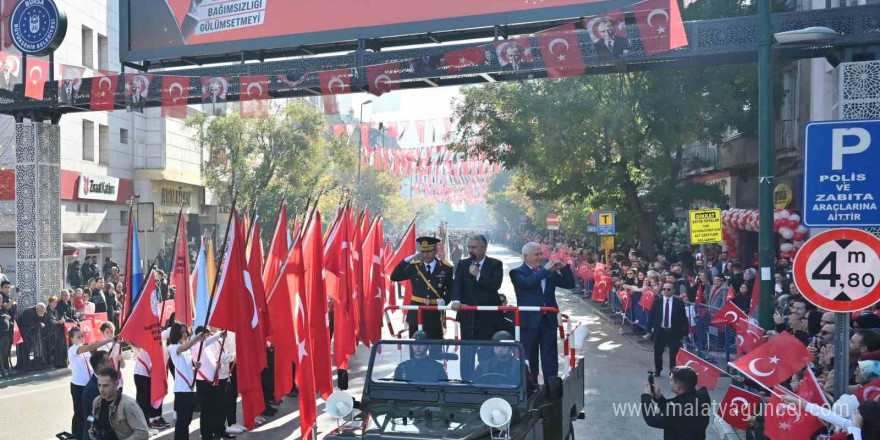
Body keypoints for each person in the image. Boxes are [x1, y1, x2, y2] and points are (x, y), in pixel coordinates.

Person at [510, 241, 575, 383]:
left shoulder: (549, 273)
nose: (540, 257)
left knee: (550, 357)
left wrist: (564, 268)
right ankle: (531, 388)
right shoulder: (517, 273)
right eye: (536, 254)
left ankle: (551, 389)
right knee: (530, 358)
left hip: (548, 321)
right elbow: (528, 283)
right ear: (526, 256)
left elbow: (570, 284)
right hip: (529, 322)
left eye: (541, 253)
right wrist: (544, 271)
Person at [450, 234, 505, 381]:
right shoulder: (462, 264)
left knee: (487, 352)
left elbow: (495, 285)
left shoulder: (495, 264)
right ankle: (466, 382)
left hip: (488, 316)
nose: (470, 250)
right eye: (469, 247)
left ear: (484, 248)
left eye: (473, 247)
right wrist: (456, 300)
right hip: (468, 316)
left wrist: (478, 275)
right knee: (467, 352)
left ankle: (485, 379)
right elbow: (457, 285)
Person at [389, 237, 453, 341]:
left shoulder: (446, 268)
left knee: (435, 348)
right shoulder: (414, 267)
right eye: (423, 252)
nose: (425, 255)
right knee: (416, 349)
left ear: (436, 251)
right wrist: (406, 260)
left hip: (435, 313)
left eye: (429, 251)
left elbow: (451, 289)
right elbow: (394, 276)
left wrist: (445, 301)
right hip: (416, 312)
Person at [641, 366, 711, 440]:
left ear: (677, 386)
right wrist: (658, 397)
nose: (669, 382)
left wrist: (646, 397)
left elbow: (652, 420)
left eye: (671, 380)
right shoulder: (702, 397)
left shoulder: (679, 410)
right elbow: (672, 410)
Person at [70, 327, 114, 440]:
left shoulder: (86, 351)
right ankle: (77, 435)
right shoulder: (73, 349)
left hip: (90, 383)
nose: (81, 338)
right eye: (78, 337)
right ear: (71, 339)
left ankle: (89, 433)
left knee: (91, 413)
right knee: (80, 413)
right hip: (79, 386)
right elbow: (91, 346)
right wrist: (108, 340)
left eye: (82, 336)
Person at [168, 322, 207, 440]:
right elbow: (184, 347)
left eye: (186, 331)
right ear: (176, 333)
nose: (185, 334)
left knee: (187, 420)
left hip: (190, 389)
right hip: (181, 390)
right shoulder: (173, 347)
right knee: (182, 422)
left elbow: (188, 366)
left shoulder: (187, 350)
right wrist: (196, 338)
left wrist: (195, 366)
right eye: (182, 332)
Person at [90, 367, 150, 440]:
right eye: (99, 385)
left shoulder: (129, 405)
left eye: (105, 385)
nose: (101, 389)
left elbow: (143, 433)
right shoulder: (96, 402)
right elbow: (93, 424)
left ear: (116, 384)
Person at [191, 326, 228, 440]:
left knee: (212, 409)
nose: (207, 337)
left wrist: (217, 366)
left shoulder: (207, 349)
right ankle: (206, 435)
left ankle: (211, 432)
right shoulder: (197, 346)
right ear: (199, 336)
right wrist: (219, 334)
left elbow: (212, 364)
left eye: (208, 335)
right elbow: (207, 342)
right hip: (204, 383)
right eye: (205, 335)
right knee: (206, 411)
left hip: (212, 383)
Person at [647, 283, 689, 376]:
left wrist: (685, 332)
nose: (666, 291)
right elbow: (651, 316)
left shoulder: (678, 303)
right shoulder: (657, 301)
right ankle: (658, 370)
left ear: (673, 291)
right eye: (664, 289)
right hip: (660, 331)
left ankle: (672, 371)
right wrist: (648, 330)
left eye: (668, 289)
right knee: (658, 352)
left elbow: (683, 319)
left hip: (673, 331)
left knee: (673, 353)